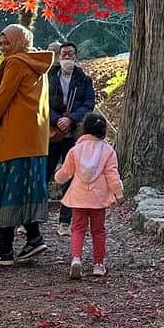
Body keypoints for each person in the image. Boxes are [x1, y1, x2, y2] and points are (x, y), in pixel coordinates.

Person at [0, 23, 55, 265]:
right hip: (34, 141)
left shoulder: (15, 63)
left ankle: (5, 249)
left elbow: (2, 99)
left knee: (6, 191)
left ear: (18, 42)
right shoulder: (38, 64)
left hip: (13, 140)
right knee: (24, 190)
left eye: (7, 43)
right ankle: (34, 238)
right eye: (1, 43)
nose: (3, 48)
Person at [53, 111, 123, 278]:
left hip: (78, 196)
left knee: (78, 228)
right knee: (98, 230)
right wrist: (118, 193)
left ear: (84, 129)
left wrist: (57, 177)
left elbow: (66, 172)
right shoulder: (108, 151)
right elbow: (112, 174)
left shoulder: (76, 150)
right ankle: (98, 264)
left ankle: (76, 258)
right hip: (98, 199)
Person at [45, 41, 95, 236]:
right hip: (52, 133)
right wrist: (57, 119)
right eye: (64, 54)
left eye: (71, 54)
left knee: (71, 176)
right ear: (59, 56)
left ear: (76, 56)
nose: (67, 57)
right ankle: (33, 219)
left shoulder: (84, 79)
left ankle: (65, 221)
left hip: (73, 134)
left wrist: (71, 119)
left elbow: (88, 103)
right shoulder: (49, 78)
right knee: (44, 172)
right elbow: (42, 103)